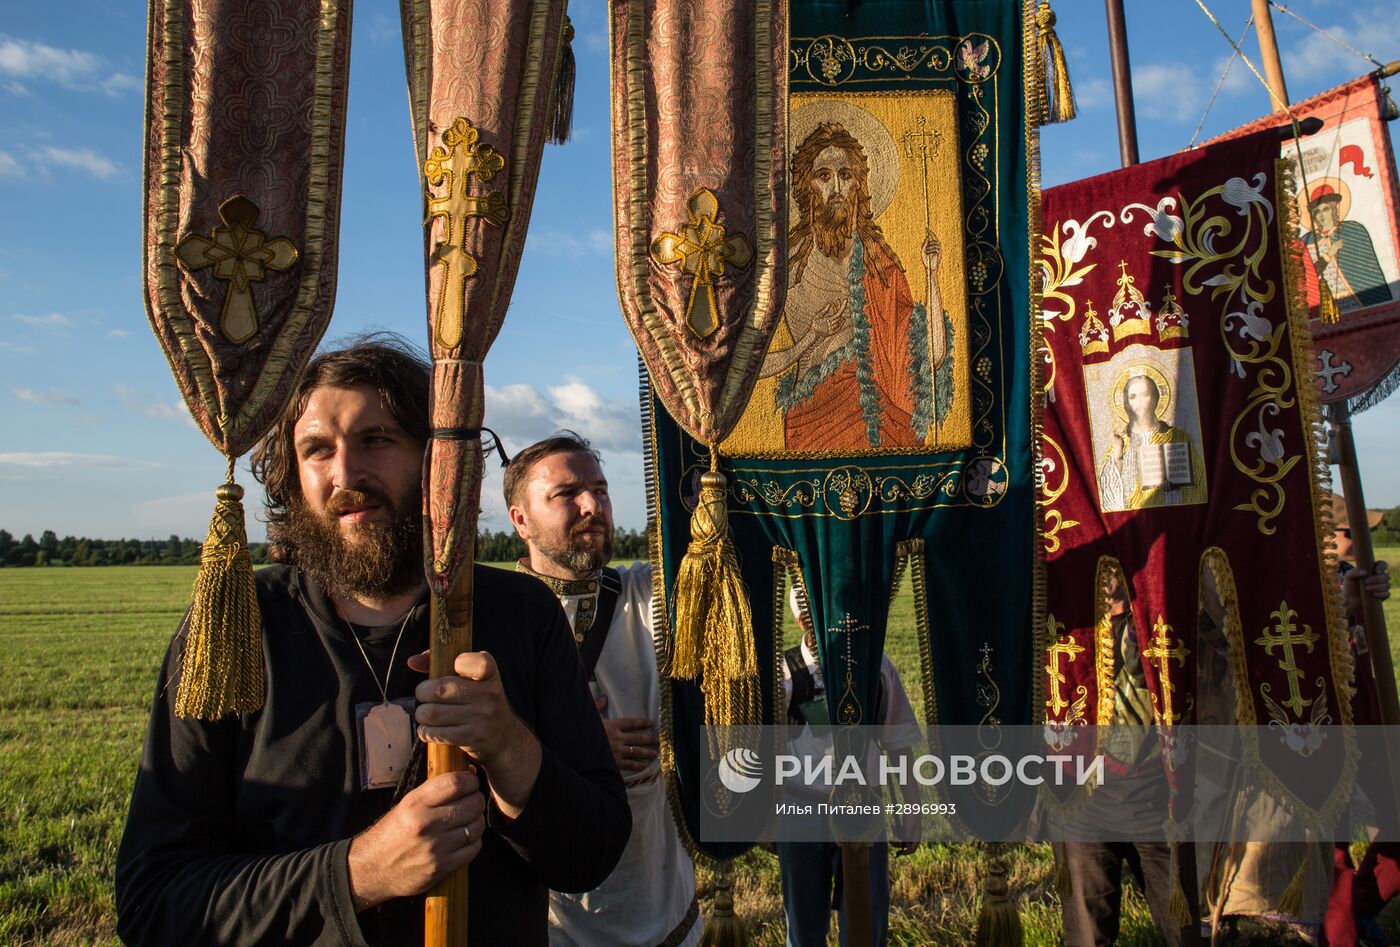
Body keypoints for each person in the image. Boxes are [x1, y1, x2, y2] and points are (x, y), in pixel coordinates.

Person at [114, 337, 630, 946]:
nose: (346, 475)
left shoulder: (521, 615)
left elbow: (592, 854)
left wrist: (510, 749)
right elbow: (155, 904)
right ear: (291, 471)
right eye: (316, 450)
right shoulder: (234, 626)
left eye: (376, 440)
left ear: (436, 456)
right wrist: (358, 873)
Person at [504, 433, 701, 947]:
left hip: (663, 899)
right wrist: (574, 747)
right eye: (566, 493)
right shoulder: (496, 620)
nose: (593, 506)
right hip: (555, 920)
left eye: (601, 489)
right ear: (520, 519)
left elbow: (708, 540)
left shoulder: (646, 595)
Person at [759, 120, 951, 451]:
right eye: (824, 176)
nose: (836, 187)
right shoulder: (784, 264)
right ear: (807, 185)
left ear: (858, 185)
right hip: (813, 416)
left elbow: (930, 356)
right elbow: (747, 365)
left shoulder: (879, 264)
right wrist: (809, 340)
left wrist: (932, 276)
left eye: (845, 176)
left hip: (879, 418)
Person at [776, 586, 922, 947]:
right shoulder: (785, 671)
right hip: (801, 806)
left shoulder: (877, 667)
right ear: (799, 618)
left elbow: (899, 744)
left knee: (867, 921)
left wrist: (912, 808)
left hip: (864, 809)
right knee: (805, 922)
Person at [1048, 571, 1186, 946]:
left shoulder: (1164, 609)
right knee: (1087, 934)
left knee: (1183, 927)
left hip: (1158, 798)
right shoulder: (1063, 620)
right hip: (1084, 800)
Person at [1097, 371, 1206, 511]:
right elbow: (1109, 500)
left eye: (1145, 394)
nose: (1140, 402)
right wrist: (1118, 455)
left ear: (1155, 398)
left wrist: (1173, 489)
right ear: (1126, 403)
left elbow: (1199, 484)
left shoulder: (1178, 437)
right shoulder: (1121, 443)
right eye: (1133, 397)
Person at [1304, 189, 1391, 312]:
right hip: (1325, 304)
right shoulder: (1307, 241)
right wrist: (1330, 254)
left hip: (1356, 299)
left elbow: (1368, 271)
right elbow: (1307, 275)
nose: (1321, 215)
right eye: (1317, 212)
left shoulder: (1352, 230)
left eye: (1326, 209)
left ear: (1334, 209)